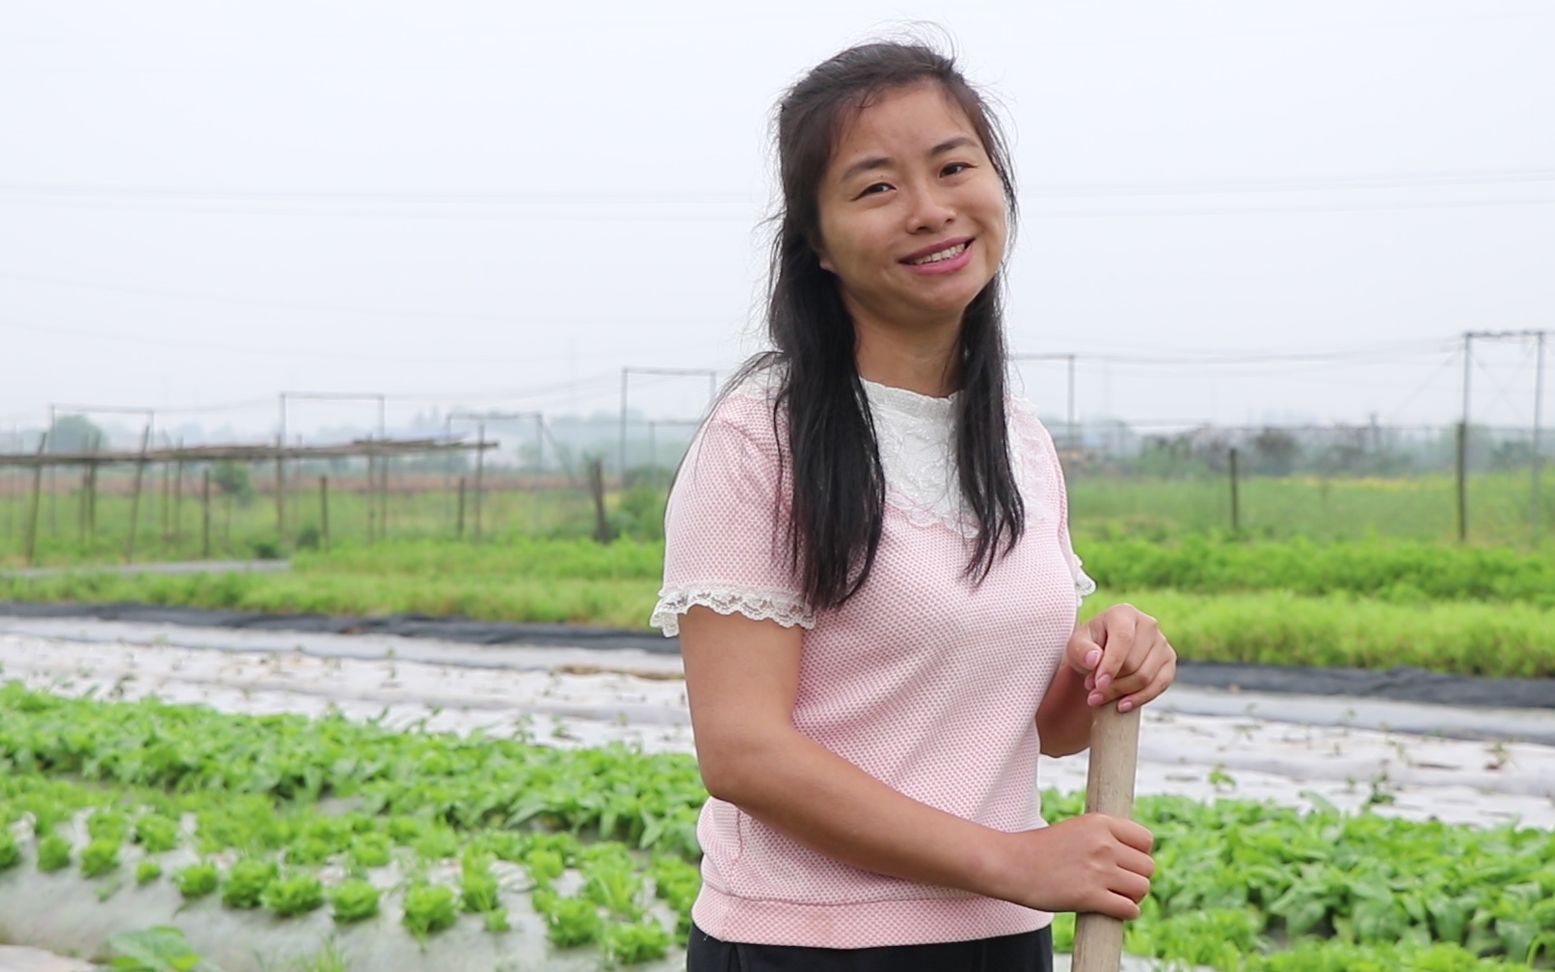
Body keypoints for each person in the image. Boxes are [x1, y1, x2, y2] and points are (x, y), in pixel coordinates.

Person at [649, 39, 1178, 972]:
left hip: (1001, 936)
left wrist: (1101, 659)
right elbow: (741, 753)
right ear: (815, 242)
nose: (931, 210)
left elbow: (1037, 728)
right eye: (875, 187)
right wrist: (1013, 859)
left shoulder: (1013, 439)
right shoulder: (757, 442)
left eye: (952, 167)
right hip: (812, 946)